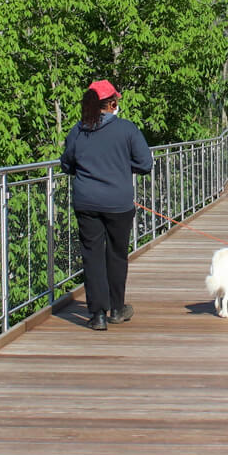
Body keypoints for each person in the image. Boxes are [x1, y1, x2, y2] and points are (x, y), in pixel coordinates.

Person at [60, 80, 152, 330]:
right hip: (118, 203)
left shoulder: (77, 131)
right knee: (116, 255)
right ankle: (117, 309)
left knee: (92, 256)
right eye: (117, 102)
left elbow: (66, 165)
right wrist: (122, 166)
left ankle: (98, 315)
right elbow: (145, 164)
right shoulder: (127, 129)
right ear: (112, 104)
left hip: (86, 201)